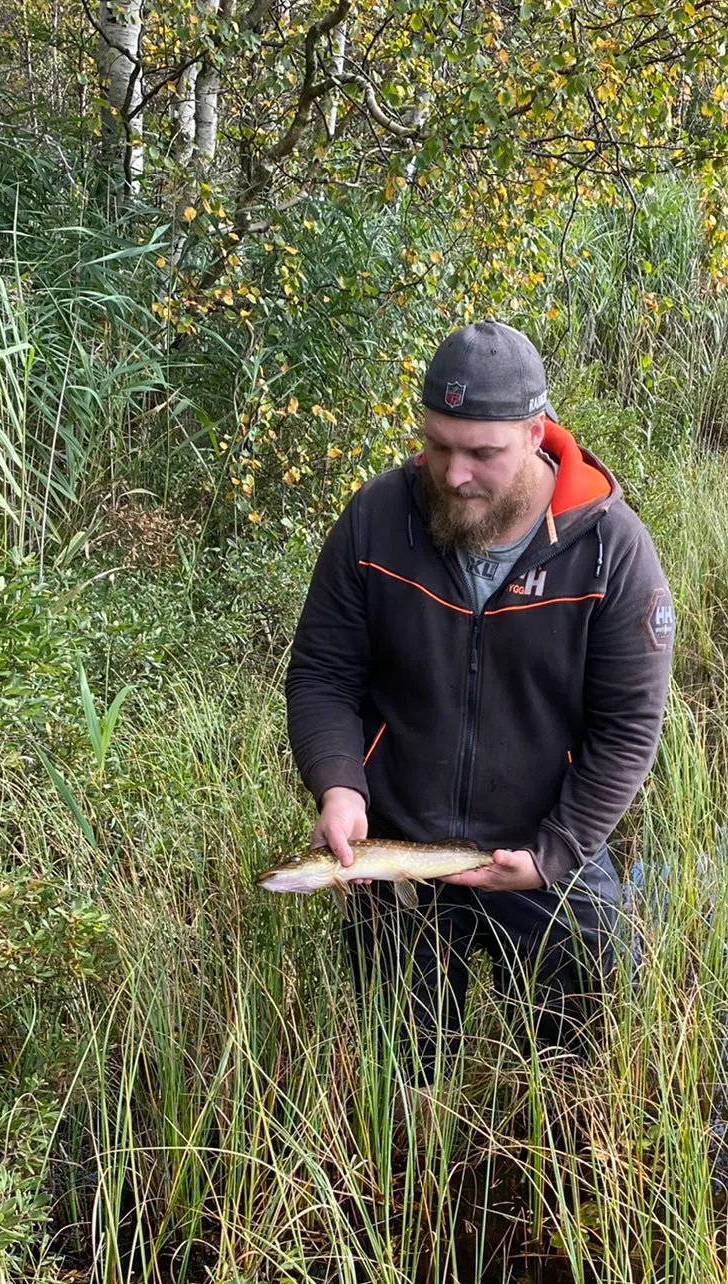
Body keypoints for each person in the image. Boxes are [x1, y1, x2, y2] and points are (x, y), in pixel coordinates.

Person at [285, 319, 674, 1073]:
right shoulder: (374, 520)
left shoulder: (609, 549)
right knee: (400, 1077)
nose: (453, 473)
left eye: (482, 453)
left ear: (536, 433)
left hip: (546, 851)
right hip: (394, 851)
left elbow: (628, 729)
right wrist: (338, 786)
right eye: (437, 444)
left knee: (570, 1078)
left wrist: (551, 853)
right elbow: (323, 674)